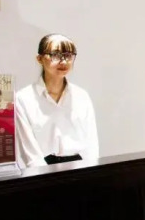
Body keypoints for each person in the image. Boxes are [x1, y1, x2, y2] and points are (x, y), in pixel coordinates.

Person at [15, 34, 99, 167]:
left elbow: (91, 145)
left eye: (68, 55)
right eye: (55, 55)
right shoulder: (24, 98)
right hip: (43, 171)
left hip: (81, 169)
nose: (64, 61)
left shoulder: (81, 96)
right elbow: (30, 155)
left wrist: (90, 173)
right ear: (39, 59)